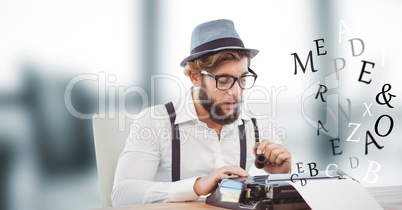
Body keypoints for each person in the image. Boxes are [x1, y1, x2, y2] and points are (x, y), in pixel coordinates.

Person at [111, 19, 292, 206]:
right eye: (224, 81)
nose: (236, 92)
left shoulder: (255, 122)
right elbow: (122, 195)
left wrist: (282, 176)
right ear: (195, 77)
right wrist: (197, 186)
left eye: (242, 79)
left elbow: (257, 197)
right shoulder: (155, 121)